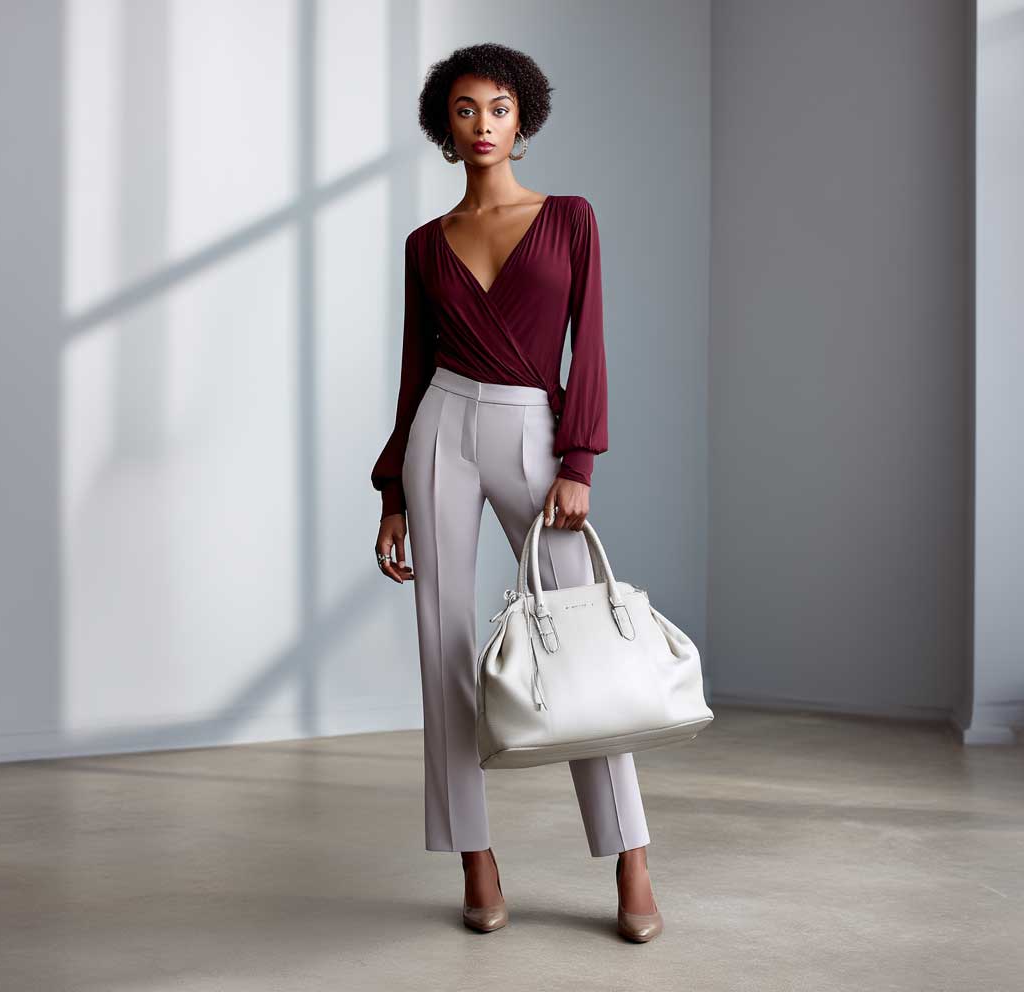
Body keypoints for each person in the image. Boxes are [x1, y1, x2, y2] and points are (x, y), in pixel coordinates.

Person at [371, 43, 662, 943]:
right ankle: (475, 857)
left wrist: (579, 460)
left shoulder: (570, 220)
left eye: (498, 109)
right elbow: (414, 370)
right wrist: (392, 491)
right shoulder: (426, 245)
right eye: (465, 111)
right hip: (439, 433)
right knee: (443, 647)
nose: (483, 125)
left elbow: (593, 348)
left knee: (580, 643)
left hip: (535, 427)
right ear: (445, 130)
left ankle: (632, 859)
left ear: (522, 123)